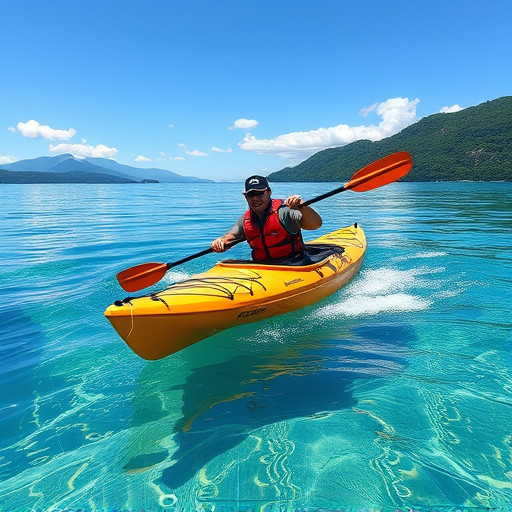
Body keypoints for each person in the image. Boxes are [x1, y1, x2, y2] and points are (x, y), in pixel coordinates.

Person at [211, 175, 322, 264]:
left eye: (259, 193)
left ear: (269, 192)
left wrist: (302, 207)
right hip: (262, 267)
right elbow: (233, 236)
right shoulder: (246, 219)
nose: (255, 198)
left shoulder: (284, 211)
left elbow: (315, 225)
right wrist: (221, 242)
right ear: (245, 196)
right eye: (251, 194)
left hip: (294, 263)